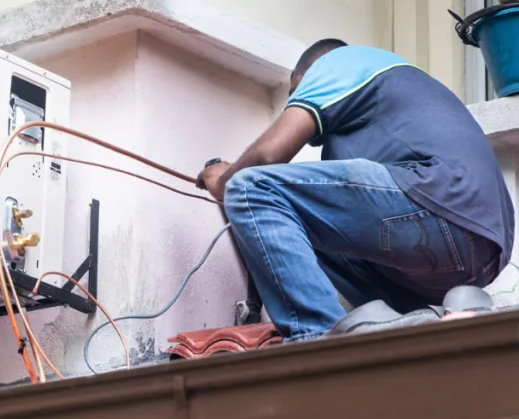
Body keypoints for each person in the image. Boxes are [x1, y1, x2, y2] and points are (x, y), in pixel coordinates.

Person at [196, 39, 514, 342]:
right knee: (304, 224)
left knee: (251, 187)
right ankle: (401, 325)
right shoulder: (374, 122)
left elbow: (267, 157)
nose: (294, 102)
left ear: (310, 73)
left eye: (297, 92)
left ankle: (318, 340)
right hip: (485, 250)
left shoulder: (339, 62)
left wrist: (222, 180)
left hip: (439, 200)